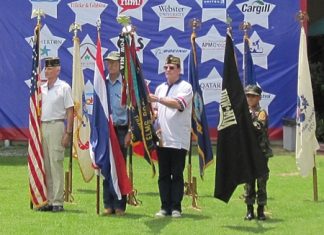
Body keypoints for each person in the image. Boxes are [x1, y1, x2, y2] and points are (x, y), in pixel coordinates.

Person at [149, 55, 193, 218]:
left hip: (179, 138)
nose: (168, 70)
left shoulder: (186, 87)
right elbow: (156, 110)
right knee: (163, 175)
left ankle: (176, 207)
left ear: (179, 70)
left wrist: (158, 99)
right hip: (163, 139)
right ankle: (164, 206)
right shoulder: (160, 87)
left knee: (177, 174)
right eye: (166, 67)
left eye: (172, 68)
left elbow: (178, 104)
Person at [38, 57, 74, 212]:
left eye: (50, 68)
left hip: (57, 125)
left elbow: (70, 111)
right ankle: (50, 199)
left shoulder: (64, 87)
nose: (47, 71)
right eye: (46, 68)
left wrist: (68, 132)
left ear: (58, 70)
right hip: (43, 126)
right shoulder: (42, 88)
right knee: (46, 164)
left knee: (56, 162)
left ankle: (58, 201)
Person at [102, 51, 131, 216]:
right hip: (106, 130)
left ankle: (120, 205)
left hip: (121, 129)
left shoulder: (126, 85)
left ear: (120, 64)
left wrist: (130, 131)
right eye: (108, 62)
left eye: (113, 63)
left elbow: (132, 110)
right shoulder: (102, 83)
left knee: (120, 166)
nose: (110, 65)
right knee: (106, 166)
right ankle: (108, 204)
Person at [244, 84, 273, 220]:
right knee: (249, 182)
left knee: (261, 182)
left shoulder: (262, 113)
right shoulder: (243, 112)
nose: (250, 98)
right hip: (248, 152)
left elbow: (257, 127)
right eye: (248, 95)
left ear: (259, 98)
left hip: (261, 153)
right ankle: (249, 210)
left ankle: (261, 210)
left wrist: (244, 121)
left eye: (253, 96)